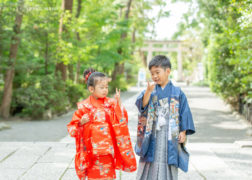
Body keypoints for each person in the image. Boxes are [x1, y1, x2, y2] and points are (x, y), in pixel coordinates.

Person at [67, 68, 136, 180]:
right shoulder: (84, 106)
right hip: (92, 152)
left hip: (108, 150)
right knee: (93, 176)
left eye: (106, 87)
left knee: (108, 176)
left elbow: (122, 121)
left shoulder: (111, 104)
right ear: (91, 89)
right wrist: (81, 122)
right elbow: (72, 128)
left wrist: (118, 104)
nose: (105, 90)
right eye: (101, 87)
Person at [135, 55, 195, 180]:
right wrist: (148, 92)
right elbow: (142, 105)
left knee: (169, 159)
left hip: (171, 133)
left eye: (157, 72)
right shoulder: (150, 90)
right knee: (150, 160)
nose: (154, 76)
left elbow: (185, 113)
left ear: (168, 71)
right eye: (152, 74)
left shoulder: (177, 92)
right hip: (152, 132)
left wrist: (183, 132)